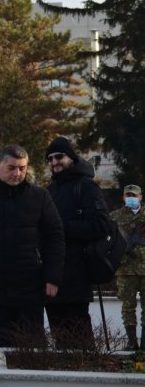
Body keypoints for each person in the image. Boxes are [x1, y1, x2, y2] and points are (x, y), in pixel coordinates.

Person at [0, 145, 64, 347]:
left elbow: (55, 238)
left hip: (30, 283)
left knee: (32, 344)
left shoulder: (39, 196)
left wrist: (53, 277)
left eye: (22, 168)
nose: (18, 173)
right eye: (12, 168)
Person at [44, 136, 109, 349]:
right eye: (50, 158)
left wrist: (61, 227)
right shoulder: (50, 190)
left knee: (80, 342)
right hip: (53, 274)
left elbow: (101, 225)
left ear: (71, 157)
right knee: (60, 340)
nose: (55, 162)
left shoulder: (87, 186)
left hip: (77, 274)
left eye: (59, 156)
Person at [110, 184, 145, 350]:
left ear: (141, 197)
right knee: (127, 307)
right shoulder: (114, 217)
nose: (131, 198)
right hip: (125, 269)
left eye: (135, 195)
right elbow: (108, 240)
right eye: (128, 195)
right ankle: (132, 342)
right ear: (123, 198)